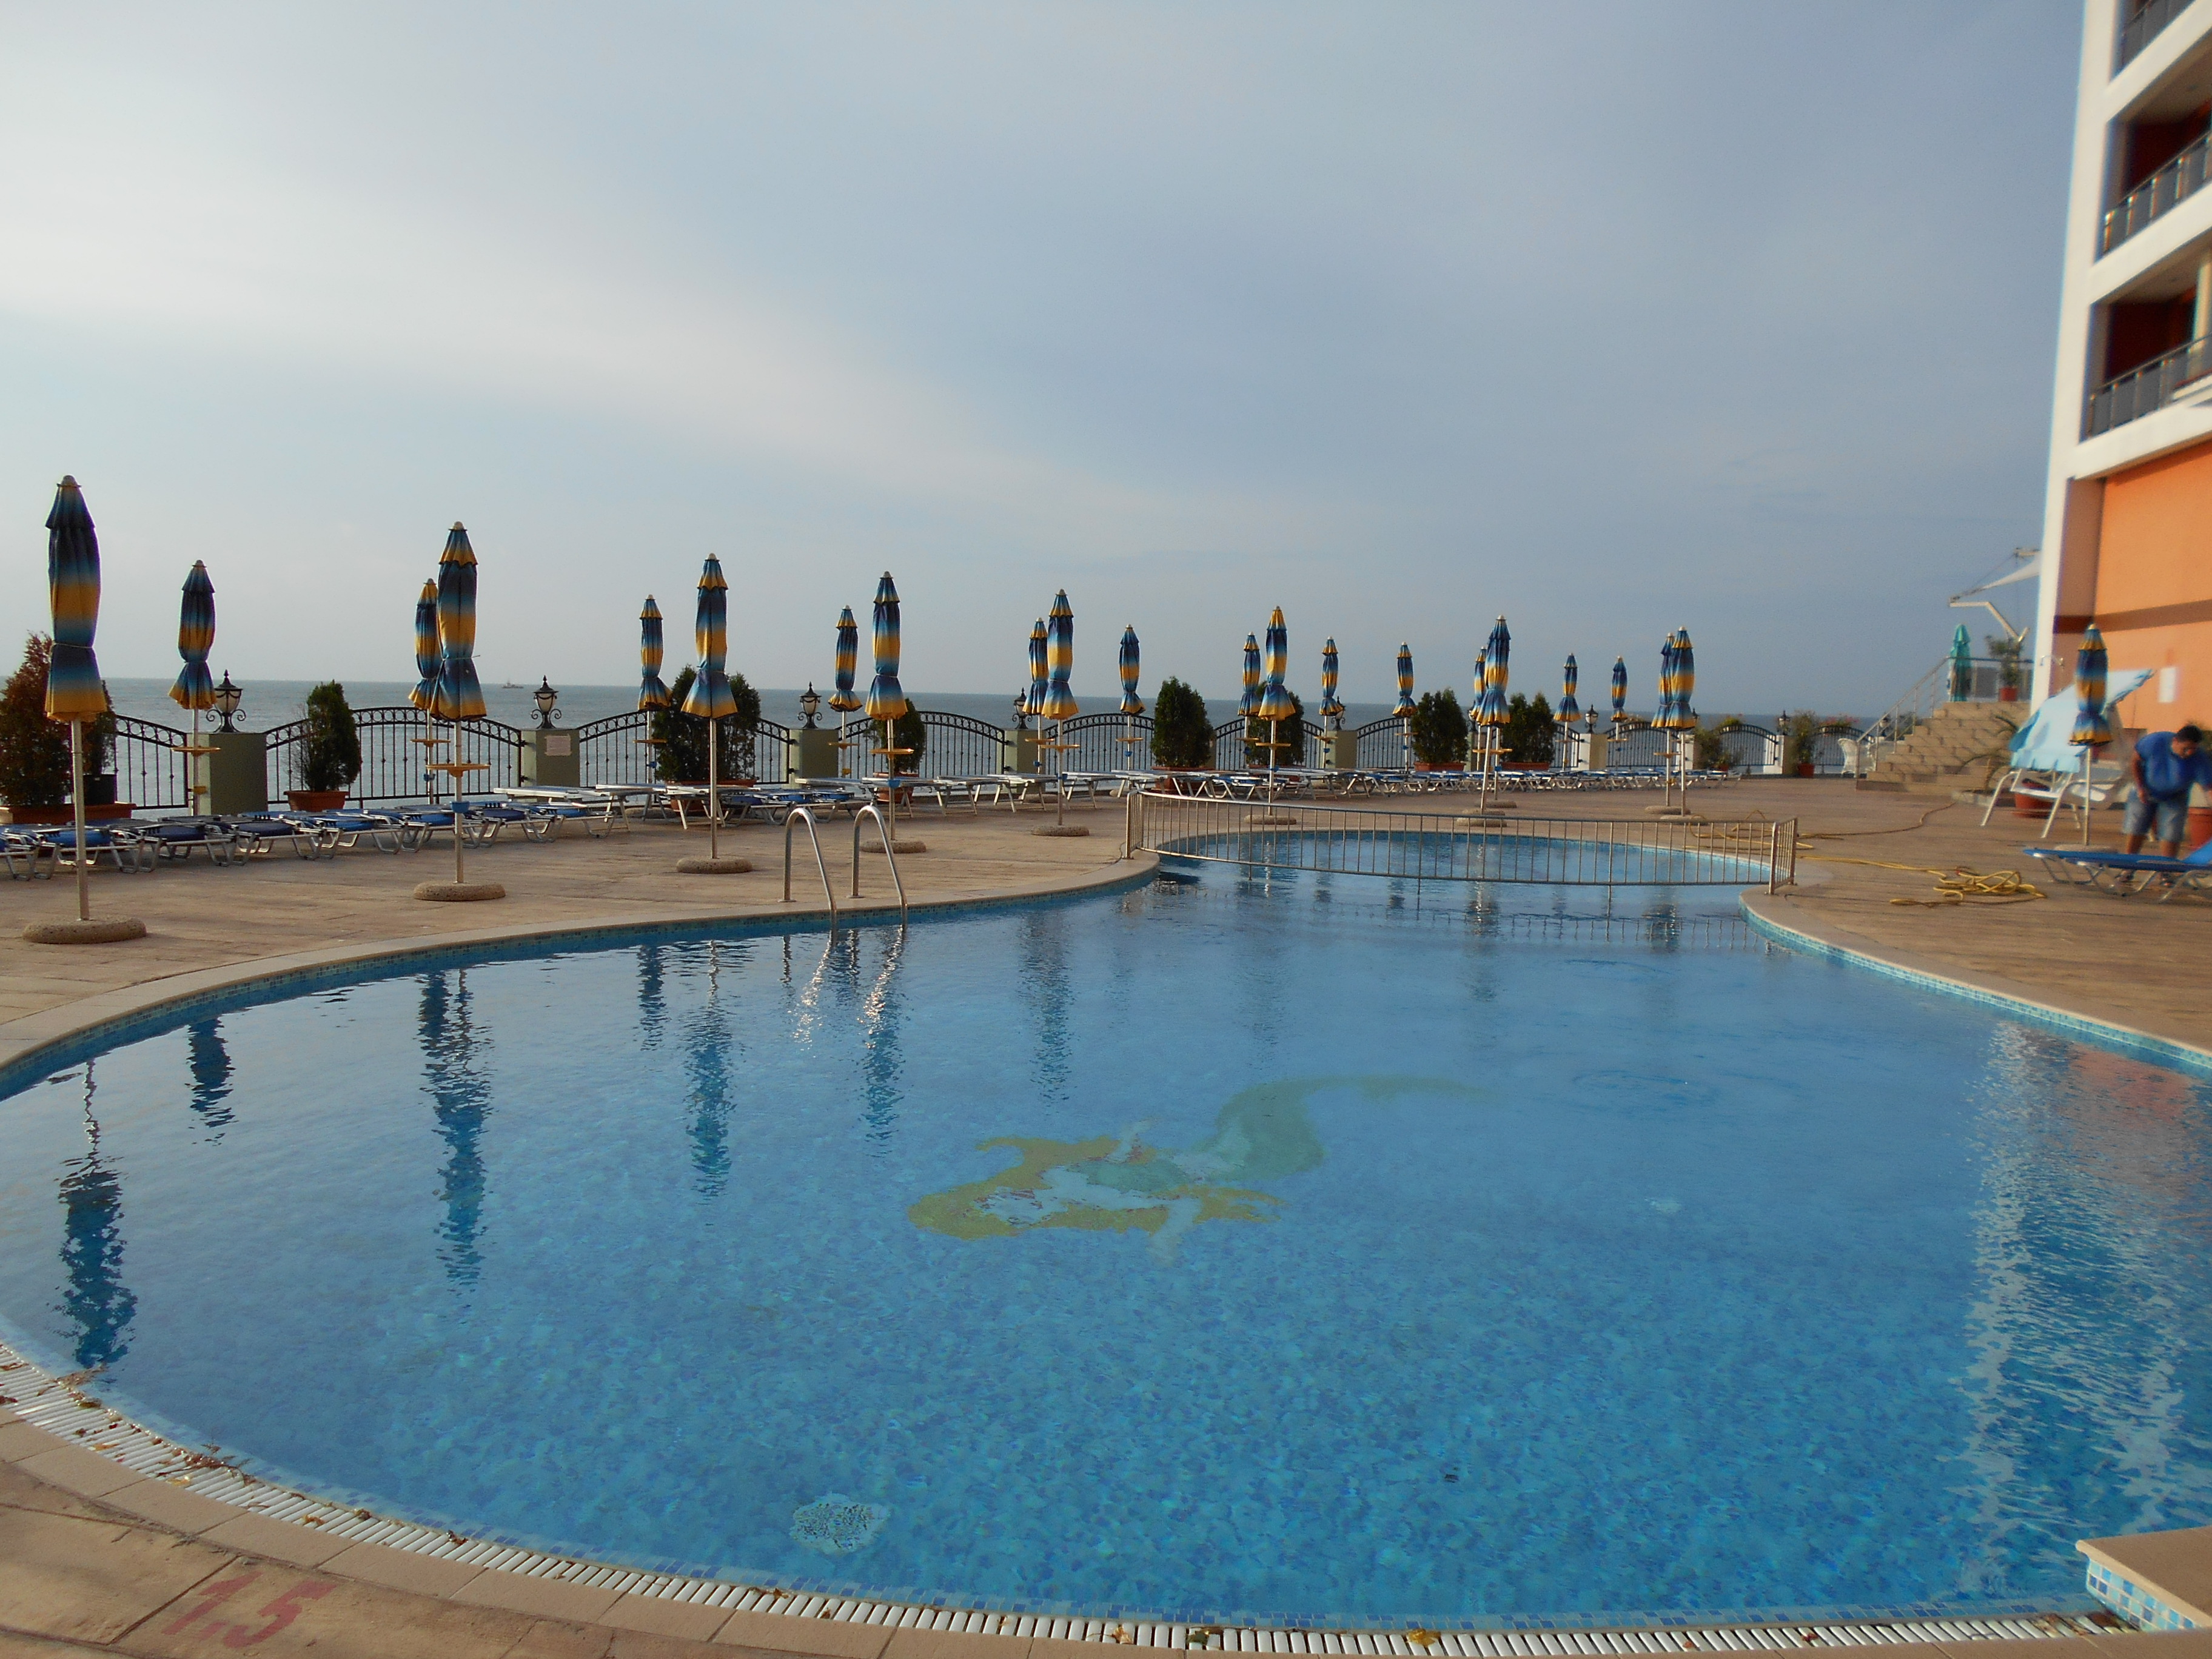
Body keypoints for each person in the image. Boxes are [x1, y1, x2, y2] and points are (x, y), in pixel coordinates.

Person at [2125, 723, 2212, 857]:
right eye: (2186, 748)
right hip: (2145, 788)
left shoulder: (2199, 758)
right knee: (2136, 828)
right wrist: (2140, 787)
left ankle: (2167, 867)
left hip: (2176, 795)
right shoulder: (2155, 742)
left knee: (2171, 833)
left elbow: (2208, 788)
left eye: (2193, 749)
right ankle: (2128, 863)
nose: (2189, 753)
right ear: (2175, 741)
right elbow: (2135, 761)